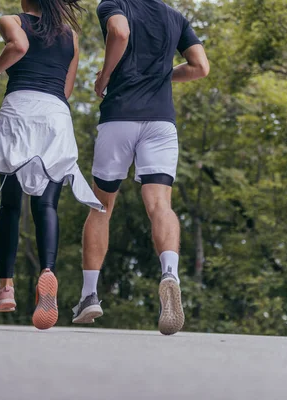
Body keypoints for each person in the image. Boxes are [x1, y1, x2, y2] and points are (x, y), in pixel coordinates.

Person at [71, 0, 210, 335]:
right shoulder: (175, 17)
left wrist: (104, 76)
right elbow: (201, 67)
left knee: (101, 205)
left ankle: (89, 294)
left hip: (120, 115)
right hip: (161, 122)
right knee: (160, 204)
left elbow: (119, 31)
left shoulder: (114, 5)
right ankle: (169, 274)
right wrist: (163, 76)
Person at [0, 0, 103, 330]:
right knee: (46, 204)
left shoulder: (11, 20)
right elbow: (67, 90)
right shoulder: (70, 35)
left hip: (19, 111)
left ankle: (6, 287)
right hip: (55, 116)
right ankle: (48, 271)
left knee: (10, 204)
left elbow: (18, 46)